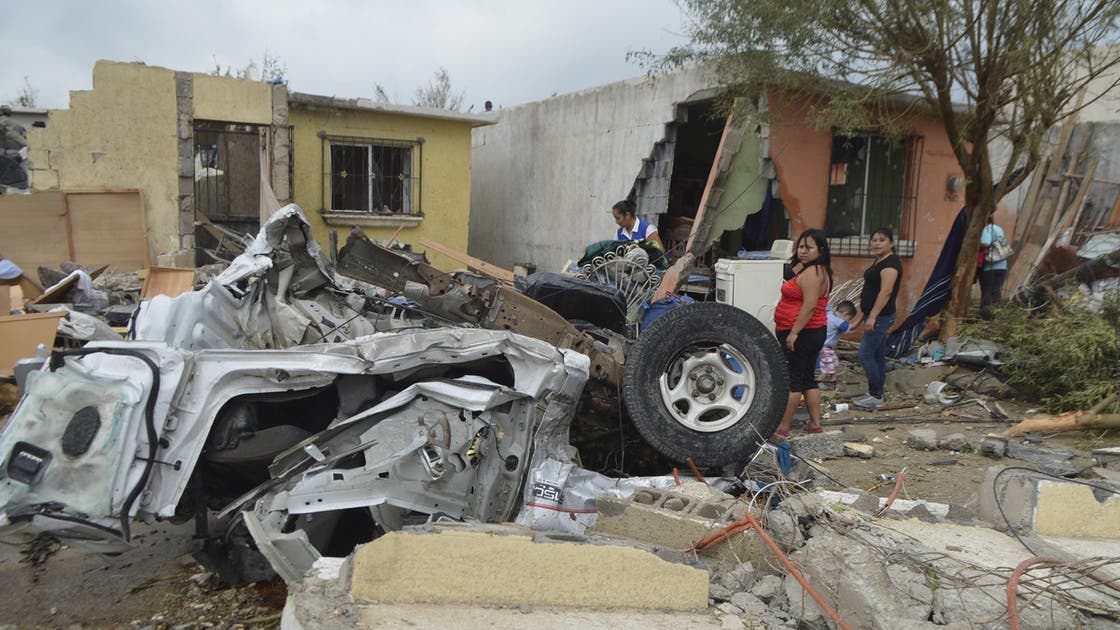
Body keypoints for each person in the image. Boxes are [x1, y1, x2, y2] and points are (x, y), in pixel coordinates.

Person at [773, 229, 832, 438]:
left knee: (794, 379)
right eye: (801, 247)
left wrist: (794, 333)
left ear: (821, 250)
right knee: (808, 378)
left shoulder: (813, 273)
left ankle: (783, 428)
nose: (803, 251)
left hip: (803, 332)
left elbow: (809, 305)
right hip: (813, 331)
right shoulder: (817, 270)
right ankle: (815, 424)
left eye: (809, 247)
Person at [854, 228, 903, 409]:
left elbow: (886, 292)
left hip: (881, 317)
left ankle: (875, 395)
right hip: (874, 315)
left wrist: (873, 316)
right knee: (877, 355)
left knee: (865, 354)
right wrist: (861, 317)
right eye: (874, 239)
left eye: (882, 240)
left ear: (891, 243)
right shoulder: (880, 261)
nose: (876, 243)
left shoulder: (890, 264)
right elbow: (870, 291)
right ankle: (877, 394)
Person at [819, 300, 856, 387]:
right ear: (846, 314)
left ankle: (833, 381)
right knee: (829, 367)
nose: (848, 321)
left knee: (835, 363)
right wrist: (862, 318)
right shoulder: (838, 321)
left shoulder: (829, 314)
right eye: (849, 319)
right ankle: (819, 381)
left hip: (824, 346)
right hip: (825, 347)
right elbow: (852, 327)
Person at [978, 218, 1008, 318]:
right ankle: (997, 314)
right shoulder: (999, 229)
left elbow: (985, 243)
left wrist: (974, 244)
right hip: (1002, 265)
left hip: (990, 266)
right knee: (996, 290)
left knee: (987, 290)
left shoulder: (987, 229)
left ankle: (986, 316)